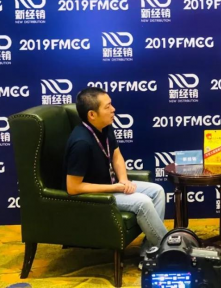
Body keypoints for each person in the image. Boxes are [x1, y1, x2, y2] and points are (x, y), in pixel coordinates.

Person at [63, 87, 168, 263]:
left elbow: (116, 155)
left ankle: (150, 252)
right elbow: (73, 188)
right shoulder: (81, 143)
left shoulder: (105, 127)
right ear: (92, 115)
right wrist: (114, 187)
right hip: (95, 196)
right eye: (107, 107)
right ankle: (168, 251)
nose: (113, 109)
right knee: (142, 202)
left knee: (157, 190)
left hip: (112, 185)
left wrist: (124, 180)